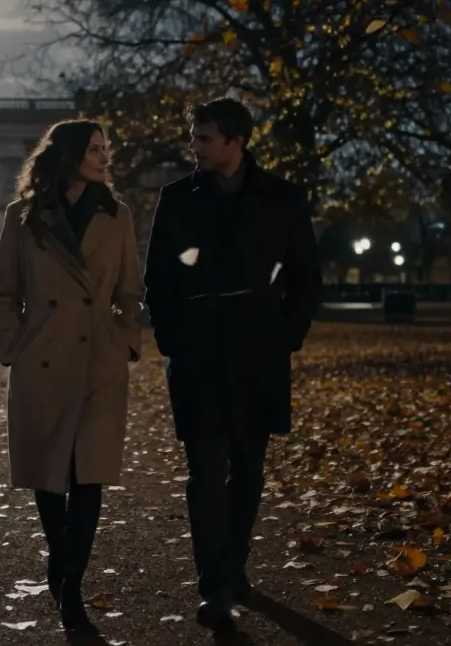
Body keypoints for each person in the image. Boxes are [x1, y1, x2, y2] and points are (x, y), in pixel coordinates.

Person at [143, 97, 321, 632]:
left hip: (257, 350)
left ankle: (235, 567)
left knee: (248, 466)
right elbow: (158, 276)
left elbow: (306, 276)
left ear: (235, 141)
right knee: (204, 470)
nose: (193, 147)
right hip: (197, 350)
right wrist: (173, 337)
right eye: (193, 137)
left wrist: (286, 336)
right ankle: (215, 585)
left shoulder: (283, 198)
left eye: (203, 138)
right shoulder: (176, 198)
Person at [0, 119, 143, 633]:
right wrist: (14, 344)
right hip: (42, 358)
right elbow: (4, 294)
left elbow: (129, 292)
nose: (104, 157)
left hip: (99, 358)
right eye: (95, 149)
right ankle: (61, 557)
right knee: (50, 476)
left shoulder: (116, 215)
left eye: (106, 148)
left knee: (89, 473)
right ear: (70, 154)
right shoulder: (23, 216)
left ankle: (71, 585)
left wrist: (125, 338)